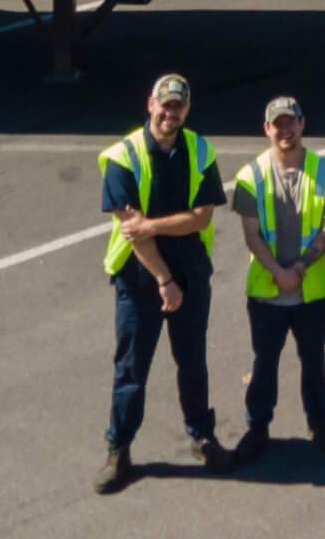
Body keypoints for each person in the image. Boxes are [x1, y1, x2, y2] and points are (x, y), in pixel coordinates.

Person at [94, 73, 230, 494]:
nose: (172, 113)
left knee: (192, 360)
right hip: (140, 278)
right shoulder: (123, 157)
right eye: (165, 104)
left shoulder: (200, 149)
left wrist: (152, 224)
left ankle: (202, 435)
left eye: (179, 106)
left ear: (187, 109)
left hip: (191, 271)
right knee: (132, 367)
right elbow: (132, 234)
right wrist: (164, 280)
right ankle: (119, 449)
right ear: (150, 103)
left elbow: (202, 216)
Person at [226, 96, 325, 466]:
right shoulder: (250, 177)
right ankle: (257, 428)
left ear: (302, 124)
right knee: (265, 363)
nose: (285, 130)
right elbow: (251, 235)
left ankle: (320, 423)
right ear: (267, 129)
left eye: (290, 122)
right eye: (277, 124)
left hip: (312, 290)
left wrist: (300, 268)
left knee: (314, 360)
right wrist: (280, 273)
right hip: (267, 290)